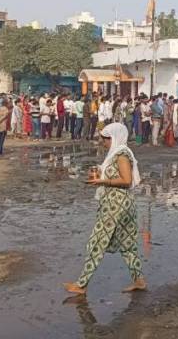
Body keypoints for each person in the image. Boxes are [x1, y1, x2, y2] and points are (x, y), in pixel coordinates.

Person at [65, 123, 147, 295]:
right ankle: (139, 281)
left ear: (114, 138)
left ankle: (82, 284)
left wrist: (104, 181)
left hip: (115, 205)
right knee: (128, 245)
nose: (103, 142)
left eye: (105, 139)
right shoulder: (117, 153)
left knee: (97, 242)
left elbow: (126, 180)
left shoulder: (122, 155)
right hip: (124, 204)